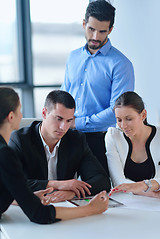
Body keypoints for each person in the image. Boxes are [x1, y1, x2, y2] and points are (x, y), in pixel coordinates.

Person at [0, 86, 109, 224]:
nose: (63, 127)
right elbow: (39, 214)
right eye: (58, 119)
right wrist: (90, 209)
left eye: (69, 121)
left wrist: (73, 192)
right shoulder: (11, 148)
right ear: (44, 113)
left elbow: (102, 180)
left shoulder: (76, 140)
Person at [61, 0, 135, 172]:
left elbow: (117, 112)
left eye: (102, 31)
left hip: (98, 141)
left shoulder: (121, 65)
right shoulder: (73, 57)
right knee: (60, 190)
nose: (95, 36)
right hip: (66, 136)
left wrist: (77, 123)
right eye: (91, 29)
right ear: (84, 24)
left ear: (110, 30)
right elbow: (63, 96)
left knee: (96, 192)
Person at [105, 91, 160, 198]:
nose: (123, 125)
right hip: (128, 202)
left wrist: (140, 187)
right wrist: (151, 190)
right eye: (119, 120)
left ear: (143, 115)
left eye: (129, 119)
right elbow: (118, 183)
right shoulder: (113, 136)